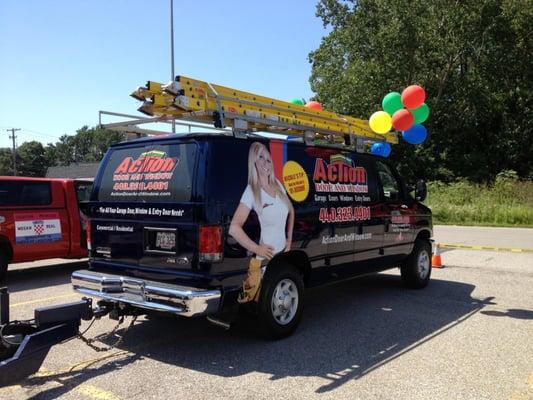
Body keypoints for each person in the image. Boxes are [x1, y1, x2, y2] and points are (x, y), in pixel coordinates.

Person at [229, 142, 294, 303]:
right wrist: (257, 248)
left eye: (268, 158)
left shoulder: (278, 185)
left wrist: (289, 239)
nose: (266, 162)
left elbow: (291, 211)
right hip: (264, 262)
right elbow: (234, 228)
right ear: (254, 163)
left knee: (274, 303)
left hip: (280, 258)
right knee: (257, 305)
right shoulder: (252, 191)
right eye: (261, 158)